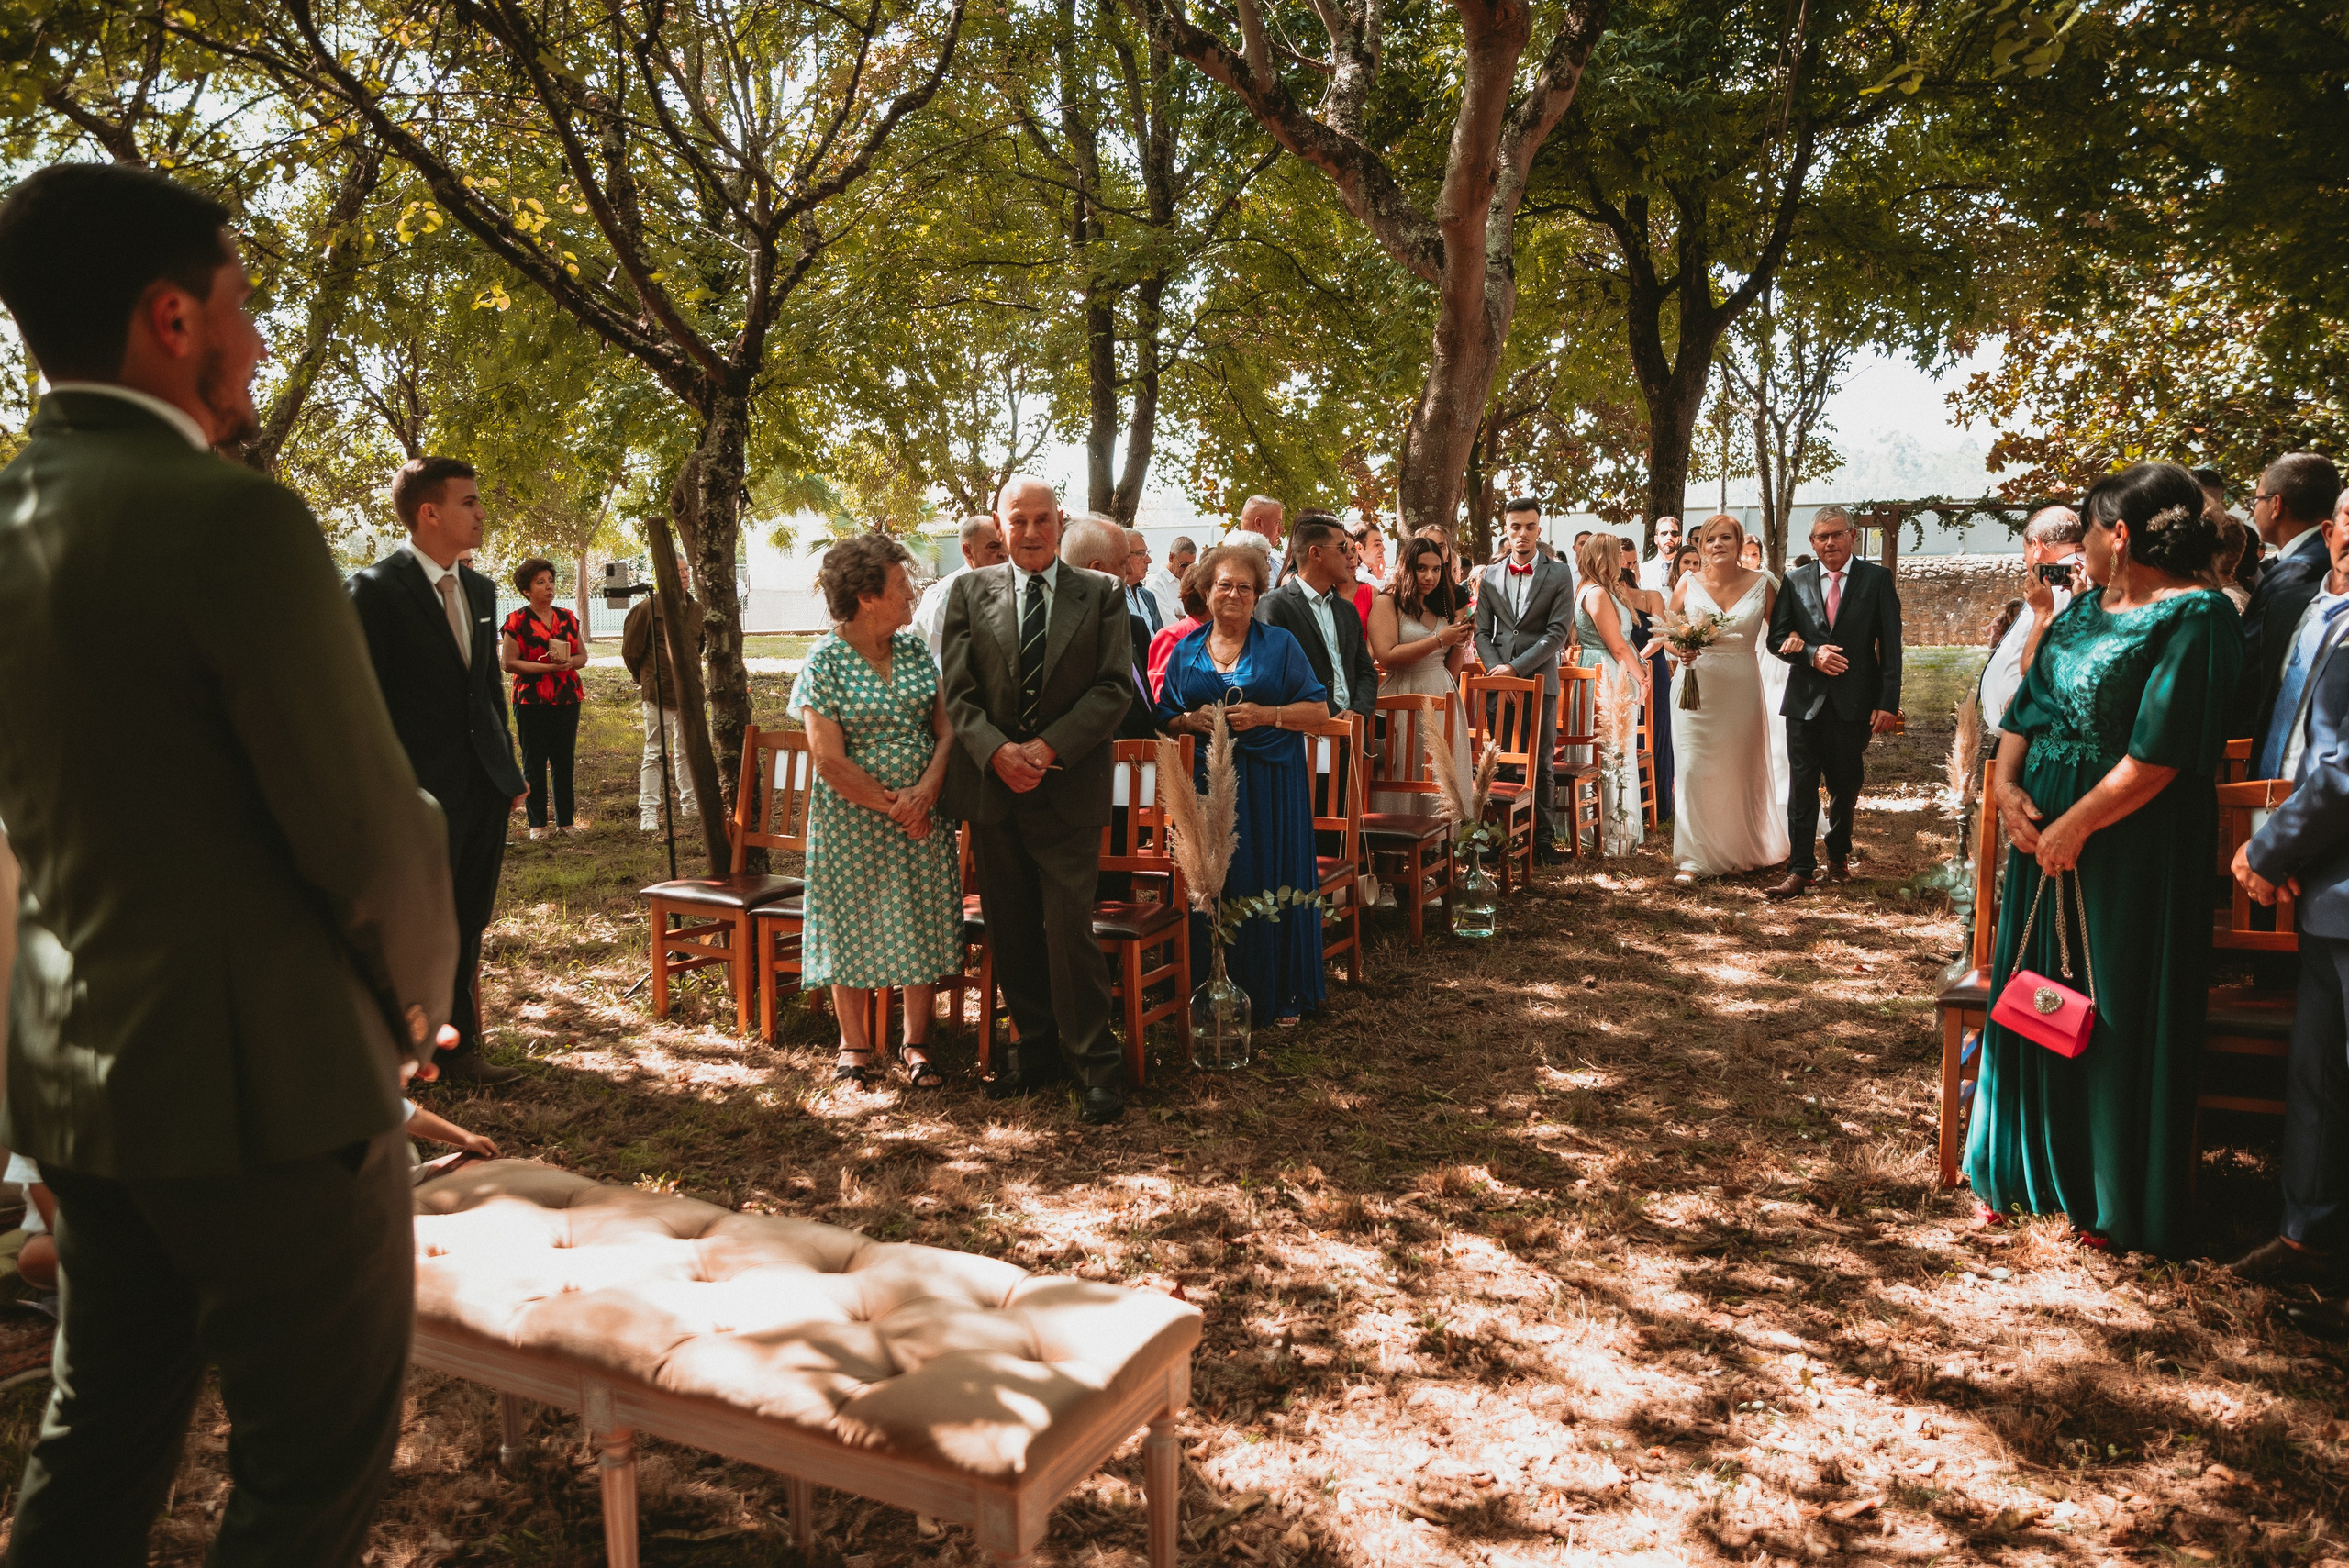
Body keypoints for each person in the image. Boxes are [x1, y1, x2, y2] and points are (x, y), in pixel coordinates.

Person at [0, 161, 458, 1566]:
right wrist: (412, 1009)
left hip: (79, 1087)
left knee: (98, 1443)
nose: (260, 336)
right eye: (245, 301)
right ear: (172, 318)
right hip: (274, 1097)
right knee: (305, 1481)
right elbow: (369, 826)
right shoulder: (232, 518)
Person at [1965, 462, 2239, 1255]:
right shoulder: (2083, 610)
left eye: (2087, 527)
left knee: (2109, 1001)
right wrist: (2009, 788)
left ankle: (2108, 1193)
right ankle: (2018, 1173)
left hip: (2132, 843)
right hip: (2040, 829)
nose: (2078, 542)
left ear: (2119, 536)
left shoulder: (2198, 617)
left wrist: (2077, 825)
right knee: (2035, 986)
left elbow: (2161, 755)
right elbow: (2031, 703)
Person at [938, 475, 1134, 1124]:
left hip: (1066, 787)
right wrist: (997, 752)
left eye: (1041, 519)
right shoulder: (969, 591)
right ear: (1000, 524)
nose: (1028, 532)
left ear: (1059, 520)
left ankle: (1096, 1063)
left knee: (1068, 929)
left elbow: (1112, 689)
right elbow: (959, 695)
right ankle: (1036, 1046)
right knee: (1012, 927)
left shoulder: (1102, 593)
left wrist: (1046, 750)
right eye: (1016, 521)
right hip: (994, 790)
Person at [350, 455, 529, 1085]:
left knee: (467, 917)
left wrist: (507, 771)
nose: (482, 513)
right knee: (412, 926)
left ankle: (460, 1049)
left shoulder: (481, 591)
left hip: (483, 787)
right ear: (429, 512)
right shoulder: (371, 591)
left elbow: (485, 691)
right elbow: (357, 701)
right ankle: (397, 1056)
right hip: (414, 796)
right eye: (469, 502)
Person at [2228, 493, 2349, 1291]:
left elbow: (2341, 768)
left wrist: (2268, 849)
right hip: (2331, 883)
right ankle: (2308, 1241)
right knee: (2320, 1075)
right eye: (2347, 521)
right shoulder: (2329, 610)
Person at [793, 532, 960, 1091]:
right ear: (867, 595)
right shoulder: (825, 660)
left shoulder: (914, 650)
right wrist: (898, 807)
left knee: (918, 918)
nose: (913, 592)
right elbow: (829, 760)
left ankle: (917, 1045)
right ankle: (854, 1047)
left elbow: (946, 729)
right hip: (854, 819)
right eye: (902, 583)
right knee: (851, 921)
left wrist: (928, 792)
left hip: (923, 810)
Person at [1157, 545, 1330, 1025]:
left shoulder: (1280, 646)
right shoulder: (1186, 651)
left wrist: (1266, 715)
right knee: (1215, 881)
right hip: (1208, 786)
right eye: (1224, 585)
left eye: (1245, 587)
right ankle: (1210, 988)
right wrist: (1188, 720)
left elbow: (1318, 710)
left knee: (1269, 878)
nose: (1233, 594)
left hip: (1272, 783)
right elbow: (1164, 715)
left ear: (1258, 595)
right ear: (1206, 591)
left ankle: (1277, 993)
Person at [1764, 506, 1903, 898]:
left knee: (1845, 783)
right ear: (1812, 542)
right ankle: (1800, 869)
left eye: (1836, 535)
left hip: (1854, 702)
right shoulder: (1796, 580)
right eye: (1821, 537)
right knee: (1802, 785)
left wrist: (1888, 701)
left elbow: (1891, 646)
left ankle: (1838, 854)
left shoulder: (1876, 580)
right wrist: (1810, 654)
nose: (1829, 543)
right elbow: (1777, 640)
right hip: (1804, 700)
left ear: (1852, 536)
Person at [1664, 516, 1787, 882]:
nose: (1717, 544)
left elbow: (1781, 634)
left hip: (1741, 687)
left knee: (1738, 767)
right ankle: (1693, 859)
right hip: (1694, 687)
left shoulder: (1763, 584)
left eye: (1725, 538)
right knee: (1691, 768)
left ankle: (1740, 848)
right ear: (1701, 546)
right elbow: (1667, 633)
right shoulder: (1688, 582)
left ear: (1738, 544)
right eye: (1710, 539)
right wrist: (1680, 650)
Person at [1474, 498, 1575, 861]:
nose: (1522, 534)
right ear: (1506, 529)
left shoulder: (1560, 573)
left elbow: (1558, 633)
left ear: (1539, 529)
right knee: (1498, 760)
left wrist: (1516, 670)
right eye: (1515, 527)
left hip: (1539, 678)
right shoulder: (1490, 574)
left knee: (1541, 761)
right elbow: (1482, 632)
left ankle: (1542, 843)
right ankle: (1496, 839)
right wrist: (1499, 673)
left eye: (1529, 527)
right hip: (1498, 680)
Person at [2240, 451, 2343, 761]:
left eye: (2255, 499)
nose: (2253, 508)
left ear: (2276, 505)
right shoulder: (2310, 562)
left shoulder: (2300, 571)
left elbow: (2253, 668)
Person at [1569, 535, 1653, 855]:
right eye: (1617, 555)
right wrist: (1641, 675)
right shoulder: (1596, 594)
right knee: (1610, 747)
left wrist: (1640, 666)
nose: (1623, 561)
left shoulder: (1602, 590)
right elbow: (1616, 645)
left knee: (1620, 746)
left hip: (1616, 667)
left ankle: (1618, 825)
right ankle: (1610, 831)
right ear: (1604, 556)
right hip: (1605, 671)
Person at [1258, 514, 1377, 728]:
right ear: (1316, 553)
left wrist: (1358, 711)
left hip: (1352, 735)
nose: (1351, 557)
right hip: (1307, 736)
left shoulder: (1347, 610)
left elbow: (1366, 671)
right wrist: (1334, 714)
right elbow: (1282, 677)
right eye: (1342, 548)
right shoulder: (1275, 606)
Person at [1977, 506, 2084, 735]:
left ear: (2037, 545)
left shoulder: (2065, 582)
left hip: (2039, 727)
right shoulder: (2070, 574)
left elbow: (2047, 658)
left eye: (2025, 550)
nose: (2025, 560)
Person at [500, 556, 586, 839]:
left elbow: (582, 656)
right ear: (526, 590)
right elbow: (509, 663)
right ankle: (537, 825)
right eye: (540, 582)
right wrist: (547, 667)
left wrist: (568, 663)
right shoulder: (516, 621)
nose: (548, 587)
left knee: (564, 760)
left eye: (550, 581)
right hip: (531, 700)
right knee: (534, 761)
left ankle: (566, 822)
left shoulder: (568, 617)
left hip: (566, 697)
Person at [622, 584, 704, 831]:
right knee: (655, 752)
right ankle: (648, 813)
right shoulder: (647, 608)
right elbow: (630, 651)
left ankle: (690, 804)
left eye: (686, 571)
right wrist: (646, 678)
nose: (684, 575)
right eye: (678, 571)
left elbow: (699, 645)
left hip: (691, 693)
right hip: (660, 691)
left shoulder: (697, 609)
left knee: (687, 750)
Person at [913, 514, 1008, 664]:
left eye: (1005, 544)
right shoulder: (944, 596)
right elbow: (917, 655)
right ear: (968, 551)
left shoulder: (1015, 588)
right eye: (993, 546)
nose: (1004, 553)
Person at [0, 1152, 57, 1305]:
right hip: (55, 1233)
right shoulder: (33, 1138)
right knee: (32, 1257)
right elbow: (54, 1222)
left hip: (103, 1235)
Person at [1121, 527, 1166, 637]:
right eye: (1141, 553)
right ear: (1122, 556)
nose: (1148, 560)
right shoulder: (1112, 597)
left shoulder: (1148, 596)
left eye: (1146, 553)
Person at [1145, 534, 1194, 628]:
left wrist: (1181, 618)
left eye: (1191, 566)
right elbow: (1170, 626)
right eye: (1184, 565)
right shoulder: (1156, 585)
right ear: (1171, 557)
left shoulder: (1191, 581)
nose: (1188, 570)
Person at [1639, 515, 1684, 592]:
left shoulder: (1687, 569)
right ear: (1656, 539)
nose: (1669, 537)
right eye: (1664, 533)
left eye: (1674, 533)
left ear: (1680, 539)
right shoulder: (1642, 570)